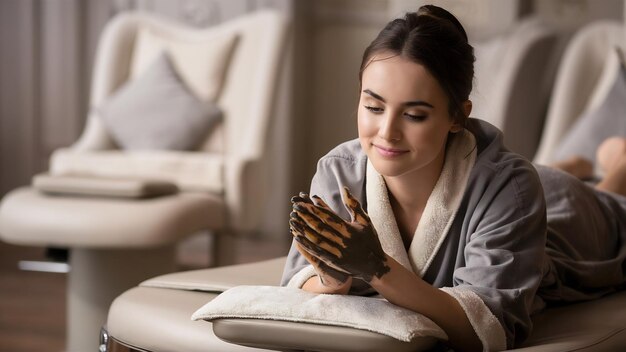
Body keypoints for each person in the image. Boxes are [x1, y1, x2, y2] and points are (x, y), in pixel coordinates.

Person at [281, 5, 626, 352]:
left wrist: (377, 267)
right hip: (517, 195)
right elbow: (299, 284)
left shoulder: (512, 187)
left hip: (560, 212)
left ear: (458, 117)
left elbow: (490, 328)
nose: (387, 133)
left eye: (414, 115)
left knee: (615, 212)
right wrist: (332, 277)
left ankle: (617, 168)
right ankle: (571, 164)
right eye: (373, 107)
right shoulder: (338, 171)